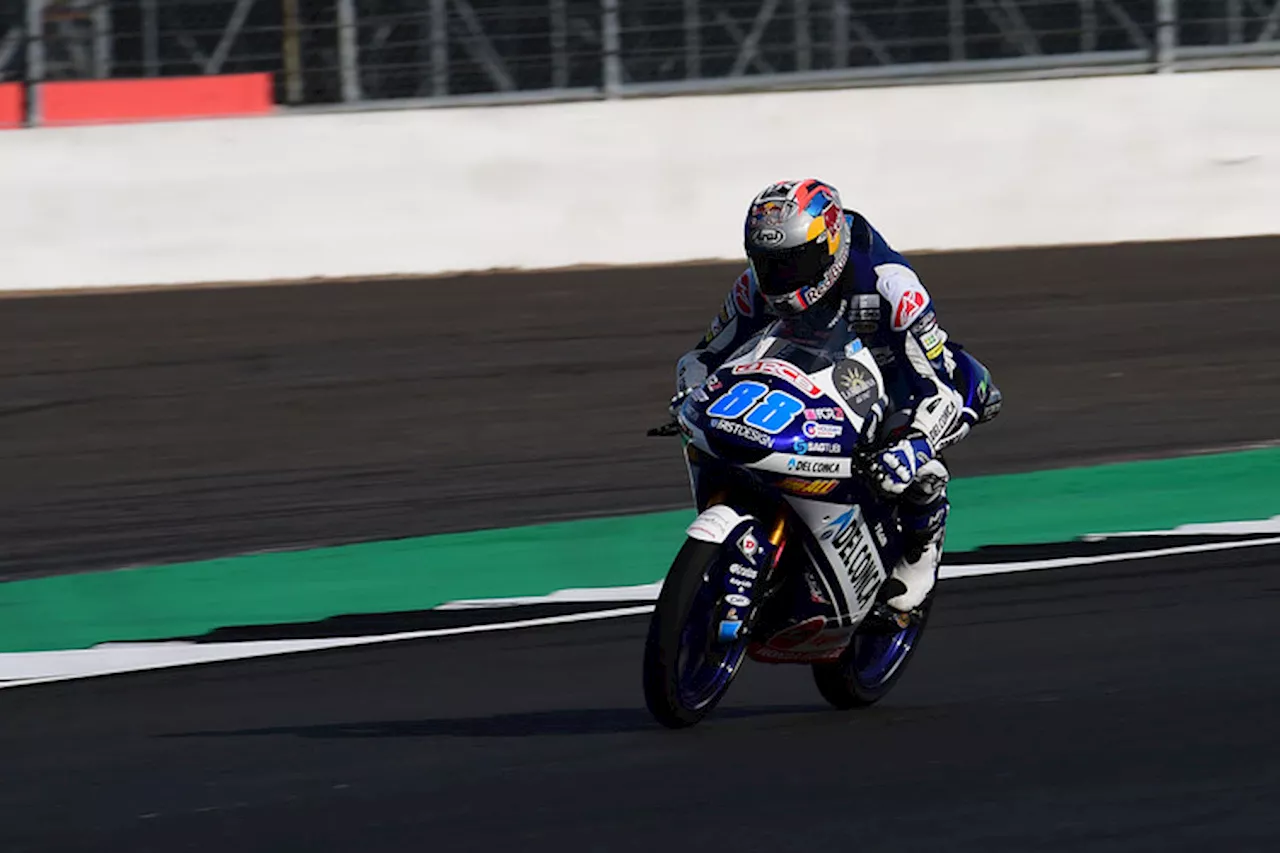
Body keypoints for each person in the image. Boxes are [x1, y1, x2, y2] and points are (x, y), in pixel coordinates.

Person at [674, 179, 1001, 612]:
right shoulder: (754, 287)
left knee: (909, 455)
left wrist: (915, 444)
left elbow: (939, 387)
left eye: (794, 262)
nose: (779, 277)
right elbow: (705, 353)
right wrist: (691, 387)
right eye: (769, 263)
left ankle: (924, 540)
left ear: (829, 248)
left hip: (902, 375)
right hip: (821, 372)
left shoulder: (892, 287)